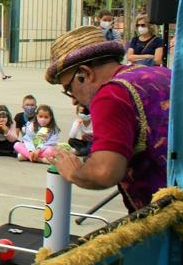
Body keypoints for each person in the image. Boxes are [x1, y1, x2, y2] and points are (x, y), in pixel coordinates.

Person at [49, 25, 170, 212]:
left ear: (85, 74)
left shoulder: (110, 95)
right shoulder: (161, 73)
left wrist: (74, 172)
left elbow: (104, 172)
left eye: (69, 89)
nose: (73, 100)